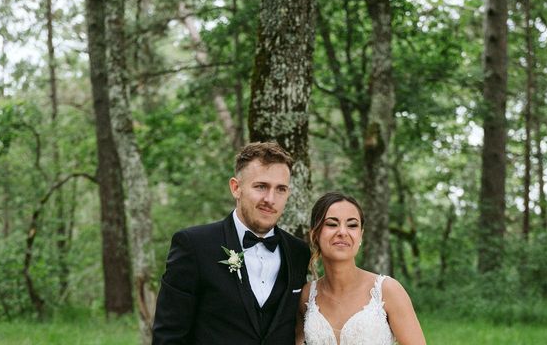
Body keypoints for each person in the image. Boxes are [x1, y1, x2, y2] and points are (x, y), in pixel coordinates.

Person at [152, 142, 311, 345]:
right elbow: (168, 336)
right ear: (236, 188)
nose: (270, 199)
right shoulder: (194, 246)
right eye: (261, 186)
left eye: (280, 189)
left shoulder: (298, 252)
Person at [296, 192, 426, 345]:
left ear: (360, 236)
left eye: (352, 225)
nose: (343, 232)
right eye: (332, 224)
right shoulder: (306, 296)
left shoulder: (387, 290)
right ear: (315, 235)